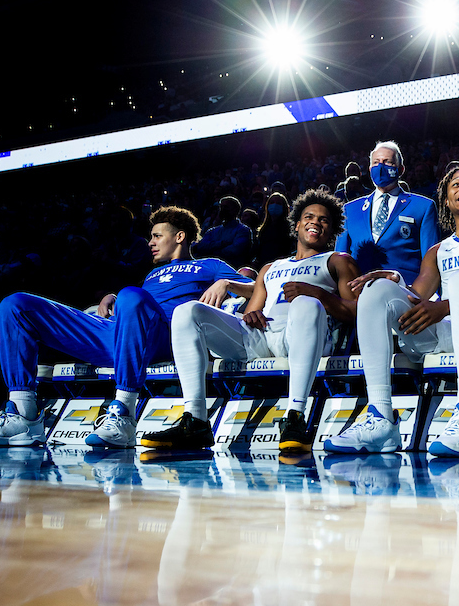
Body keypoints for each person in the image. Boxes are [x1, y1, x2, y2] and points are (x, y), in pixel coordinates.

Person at [0, 207, 254, 449]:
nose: (149, 242)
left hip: (166, 335)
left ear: (180, 237)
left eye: (157, 236)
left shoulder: (209, 265)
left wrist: (227, 282)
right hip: (120, 334)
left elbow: (255, 285)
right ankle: (23, 414)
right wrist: (115, 297)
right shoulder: (150, 275)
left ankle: (123, 414)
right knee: (15, 305)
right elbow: (134, 300)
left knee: (130, 296)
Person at [323, 166, 459, 455]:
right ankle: (380, 416)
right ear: (445, 199)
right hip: (447, 332)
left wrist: (444, 307)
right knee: (375, 290)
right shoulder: (438, 251)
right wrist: (394, 280)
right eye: (456, 184)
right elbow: (417, 296)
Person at [154, 191, 360, 453]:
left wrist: (318, 293)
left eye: (324, 220)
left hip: (306, 335)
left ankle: (295, 417)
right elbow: (253, 312)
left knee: (306, 303)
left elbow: (355, 311)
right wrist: (250, 314)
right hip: (263, 336)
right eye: (309, 217)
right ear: (296, 224)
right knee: (188, 311)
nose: (316, 222)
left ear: (332, 230)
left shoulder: (337, 260)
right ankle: (195, 420)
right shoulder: (271, 268)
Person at [336, 140, 440, 285]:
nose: (380, 167)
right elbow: (340, 261)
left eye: (387, 162)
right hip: (359, 293)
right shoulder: (349, 210)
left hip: (405, 291)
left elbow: (431, 261)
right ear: (370, 167)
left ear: (401, 169)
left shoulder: (423, 207)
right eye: (376, 162)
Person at [193, 195, 253, 269]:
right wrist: (221, 244)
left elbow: (234, 250)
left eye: (226, 207)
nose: (222, 210)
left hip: (232, 269)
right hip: (211, 269)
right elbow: (201, 246)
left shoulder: (243, 230)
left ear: (235, 210)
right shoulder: (212, 231)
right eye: (221, 207)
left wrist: (211, 252)